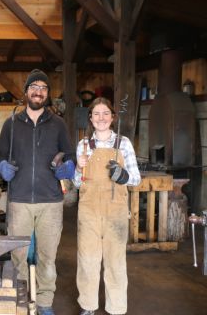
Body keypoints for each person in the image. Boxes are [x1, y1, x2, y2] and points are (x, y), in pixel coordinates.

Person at [0, 69, 75, 315]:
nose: (38, 91)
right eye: (34, 87)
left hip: (50, 202)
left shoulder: (58, 124)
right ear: (26, 92)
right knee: (19, 257)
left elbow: (70, 155)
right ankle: (22, 301)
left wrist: (69, 167)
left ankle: (44, 303)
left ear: (47, 94)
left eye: (43, 88)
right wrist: (2, 168)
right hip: (19, 200)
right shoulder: (11, 124)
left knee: (47, 258)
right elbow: (0, 154)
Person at [73, 97, 141, 315]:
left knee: (115, 261)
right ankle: (88, 306)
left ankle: (117, 308)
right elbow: (76, 183)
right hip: (89, 211)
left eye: (105, 113)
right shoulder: (83, 145)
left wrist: (123, 176)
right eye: (96, 114)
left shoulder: (124, 143)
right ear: (90, 119)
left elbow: (136, 179)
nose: (101, 118)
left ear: (113, 117)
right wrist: (77, 167)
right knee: (88, 259)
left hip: (116, 212)